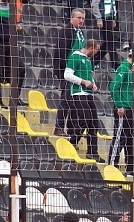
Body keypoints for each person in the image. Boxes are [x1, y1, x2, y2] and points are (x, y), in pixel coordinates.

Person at [64, 39, 104, 163]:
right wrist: (83, 82)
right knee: (84, 119)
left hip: (88, 94)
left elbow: (89, 76)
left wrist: (93, 83)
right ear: (91, 48)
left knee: (94, 123)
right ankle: (72, 142)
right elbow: (67, 75)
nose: (96, 52)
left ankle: (92, 152)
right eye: (96, 50)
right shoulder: (75, 56)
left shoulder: (87, 60)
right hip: (78, 93)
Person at [53, 8, 86, 136]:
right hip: (67, 71)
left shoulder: (81, 33)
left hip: (77, 72)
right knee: (66, 99)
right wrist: (66, 70)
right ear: (72, 18)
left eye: (83, 18)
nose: (81, 21)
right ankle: (59, 127)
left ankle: (70, 129)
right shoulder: (66, 31)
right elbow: (61, 53)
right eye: (79, 18)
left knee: (73, 101)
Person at [108, 50, 134, 172]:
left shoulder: (129, 70)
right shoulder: (123, 69)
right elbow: (113, 87)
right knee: (119, 138)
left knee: (131, 139)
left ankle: (131, 169)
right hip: (123, 109)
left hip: (130, 109)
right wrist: (119, 105)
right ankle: (112, 166)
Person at [90, 0, 119, 70]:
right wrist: (99, 18)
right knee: (110, 41)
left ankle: (93, 61)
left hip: (108, 18)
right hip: (103, 19)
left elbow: (112, 4)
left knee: (108, 42)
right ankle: (115, 64)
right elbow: (94, 4)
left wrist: (113, 17)